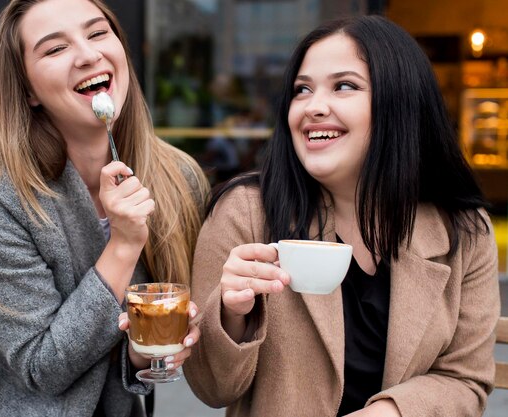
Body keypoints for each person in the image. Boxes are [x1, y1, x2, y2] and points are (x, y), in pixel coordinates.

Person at [0, 0, 209, 416]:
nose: (88, 54)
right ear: (27, 90)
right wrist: (122, 245)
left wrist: (145, 352)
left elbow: (129, 348)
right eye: (55, 49)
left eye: (98, 33)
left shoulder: (176, 178)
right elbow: (43, 366)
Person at [183, 15, 500, 417]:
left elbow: (465, 380)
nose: (313, 107)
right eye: (302, 90)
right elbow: (211, 389)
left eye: (344, 86)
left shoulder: (462, 231)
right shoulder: (246, 211)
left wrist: (390, 413)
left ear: (400, 101)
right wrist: (231, 313)